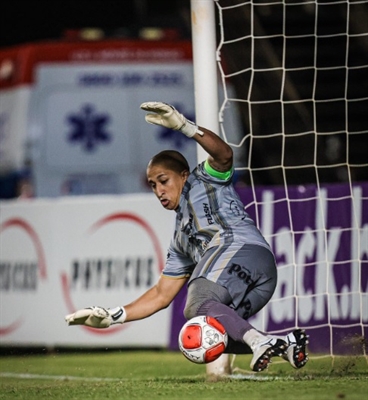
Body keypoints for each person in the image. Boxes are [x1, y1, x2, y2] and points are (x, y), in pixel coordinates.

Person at [65, 102, 309, 372]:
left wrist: (185, 126)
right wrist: (112, 316)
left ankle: (259, 341)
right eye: (153, 185)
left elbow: (225, 155)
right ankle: (283, 343)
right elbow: (161, 295)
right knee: (202, 333)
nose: (159, 190)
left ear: (182, 175)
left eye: (163, 180)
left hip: (243, 248)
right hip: (261, 280)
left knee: (197, 303)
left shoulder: (204, 179)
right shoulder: (180, 238)